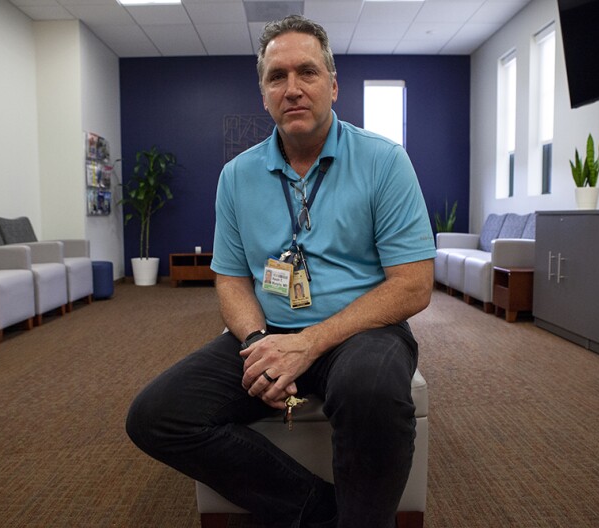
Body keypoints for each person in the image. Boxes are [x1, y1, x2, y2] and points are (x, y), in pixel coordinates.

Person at [126, 15, 435, 528]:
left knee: (371, 390)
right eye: (277, 77)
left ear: (332, 86)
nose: (292, 88)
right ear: (263, 94)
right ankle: (318, 513)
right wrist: (256, 342)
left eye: (307, 72)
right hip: (267, 330)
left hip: (361, 331)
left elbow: (413, 284)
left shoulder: (385, 162)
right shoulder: (236, 176)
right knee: (156, 417)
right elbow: (231, 278)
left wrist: (310, 343)